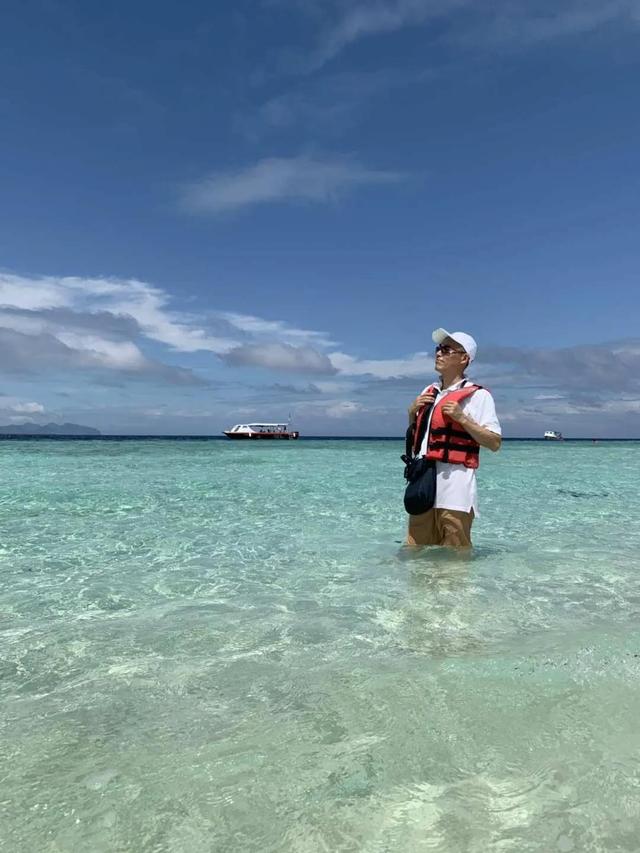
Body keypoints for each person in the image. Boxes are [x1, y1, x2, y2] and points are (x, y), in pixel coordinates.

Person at [406, 328, 501, 548]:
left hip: (456, 487)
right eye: (438, 348)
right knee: (415, 549)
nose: (439, 353)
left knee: (455, 553)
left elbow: (494, 443)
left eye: (447, 349)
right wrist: (412, 413)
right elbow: (419, 439)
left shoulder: (478, 396)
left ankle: (455, 585)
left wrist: (462, 418)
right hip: (423, 482)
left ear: (464, 358)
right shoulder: (428, 391)